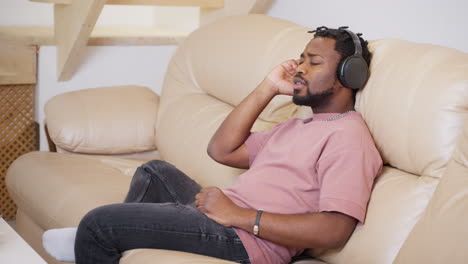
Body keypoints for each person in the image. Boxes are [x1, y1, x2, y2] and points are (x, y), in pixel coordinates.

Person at [42, 26, 382, 264]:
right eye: (301, 60)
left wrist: (239, 215)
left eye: (314, 62)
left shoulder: (348, 137)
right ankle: (109, 244)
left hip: (248, 241)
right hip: (229, 217)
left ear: (348, 77)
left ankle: (98, 240)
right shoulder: (296, 125)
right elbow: (221, 150)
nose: (299, 69)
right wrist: (266, 87)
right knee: (154, 172)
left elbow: (334, 229)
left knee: (99, 223)